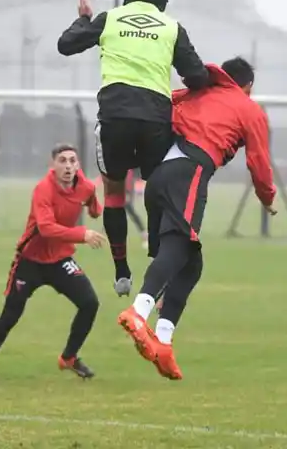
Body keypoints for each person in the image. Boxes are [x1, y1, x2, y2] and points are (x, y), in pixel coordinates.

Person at [116, 57, 277, 380]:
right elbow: (258, 160)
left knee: (190, 262)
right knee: (179, 246)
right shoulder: (248, 108)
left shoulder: (195, 93)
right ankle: (139, 311)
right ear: (247, 87)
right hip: (188, 172)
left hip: (157, 177)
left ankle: (162, 341)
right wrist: (267, 198)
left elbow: (158, 103)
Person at [57, 0, 209, 298]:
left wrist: (85, 18)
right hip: (156, 120)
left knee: (113, 194)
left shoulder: (110, 19)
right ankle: (159, 275)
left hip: (115, 117)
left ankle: (122, 272)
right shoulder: (172, 29)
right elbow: (197, 77)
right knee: (158, 195)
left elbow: (66, 45)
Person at [0, 144, 107, 381]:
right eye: (62, 161)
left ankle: (69, 357)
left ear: (78, 165)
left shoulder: (85, 186)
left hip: (60, 260)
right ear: (53, 165)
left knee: (90, 303)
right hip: (30, 261)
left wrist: (97, 199)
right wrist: (82, 234)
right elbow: (45, 228)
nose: (67, 166)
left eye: (72, 161)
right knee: (11, 315)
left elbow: (95, 210)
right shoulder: (43, 189)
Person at [124, 169, 149, 249]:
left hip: (125, 193)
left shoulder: (128, 169)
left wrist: (128, 193)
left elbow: (129, 180)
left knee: (130, 212)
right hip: (121, 192)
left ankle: (144, 233)